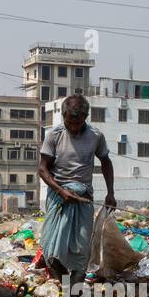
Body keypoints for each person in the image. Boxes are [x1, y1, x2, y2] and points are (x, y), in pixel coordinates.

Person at [37, 95, 115, 281]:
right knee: (52, 248)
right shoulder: (54, 136)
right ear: (64, 115)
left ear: (85, 117)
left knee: (81, 247)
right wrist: (61, 191)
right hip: (59, 197)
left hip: (83, 197)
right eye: (70, 121)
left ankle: (76, 289)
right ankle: (65, 284)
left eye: (78, 121)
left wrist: (110, 193)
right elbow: (42, 168)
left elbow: (105, 162)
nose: (74, 126)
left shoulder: (95, 136)